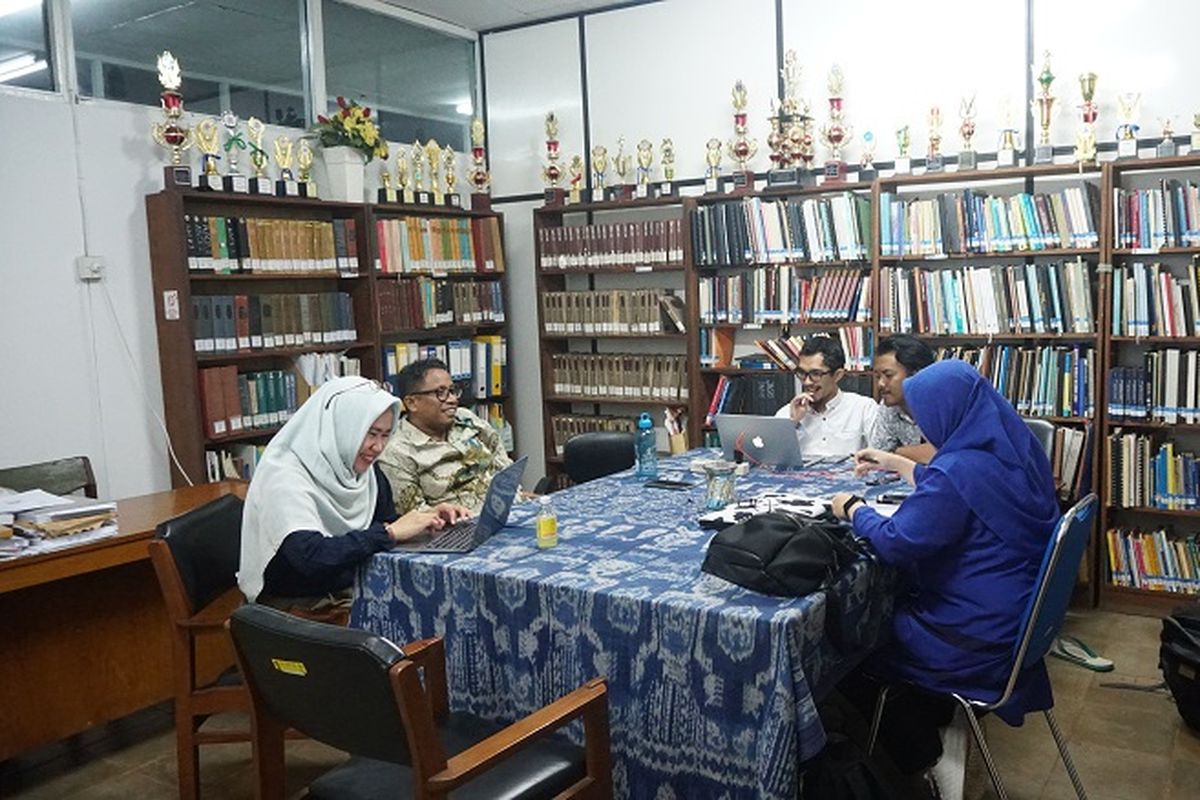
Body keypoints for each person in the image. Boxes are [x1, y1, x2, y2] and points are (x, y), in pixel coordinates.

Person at [829, 360, 1060, 799]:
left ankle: (920, 756)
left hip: (970, 639)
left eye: (924, 417)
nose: (923, 427)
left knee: (851, 642)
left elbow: (898, 541)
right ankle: (935, 717)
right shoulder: (1016, 450)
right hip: (1013, 624)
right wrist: (900, 464)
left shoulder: (957, 472)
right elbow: (966, 489)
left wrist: (854, 508)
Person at [238, 376, 469, 617]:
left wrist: (427, 521)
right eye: (371, 434)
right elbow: (310, 557)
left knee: (443, 605)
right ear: (342, 427)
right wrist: (389, 533)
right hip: (300, 605)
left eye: (385, 435)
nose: (378, 447)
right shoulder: (285, 476)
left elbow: (383, 522)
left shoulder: (362, 471)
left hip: (351, 585)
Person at [377, 358, 512, 514]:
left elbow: (505, 467)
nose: (453, 400)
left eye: (452, 391)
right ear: (411, 403)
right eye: (440, 393)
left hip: (511, 510)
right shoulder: (397, 452)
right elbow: (415, 518)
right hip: (461, 527)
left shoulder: (466, 418)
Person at [773, 335, 878, 457]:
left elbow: (880, 457)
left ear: (837, 375)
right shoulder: (787, 413)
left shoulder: (863, 408)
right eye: (802, 373)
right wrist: (792, 423)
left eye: (815, 374)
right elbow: (771, 462)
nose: (807, 382)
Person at [868, 334, 936, 463]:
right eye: (877, 376)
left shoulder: (944, 402)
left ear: (916, 374)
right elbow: (879, 455)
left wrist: (899, 451)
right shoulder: (888, 407)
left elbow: (947, 454)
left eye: (888, 375)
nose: (880, 384)